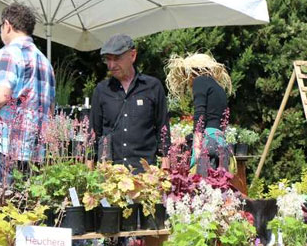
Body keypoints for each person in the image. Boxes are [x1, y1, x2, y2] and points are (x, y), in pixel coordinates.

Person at [0, 3, 55, 183]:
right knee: (27, 209)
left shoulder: (8, 53)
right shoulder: (45, 62)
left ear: (7, 25)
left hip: (4, 145)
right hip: (34, 152)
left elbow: (1, 96)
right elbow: (51, 108)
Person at [89, 34, 170, 173]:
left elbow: (163, 128)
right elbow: (93, 133)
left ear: (132, 56)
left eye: (117, 59)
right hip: (110, 174)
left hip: (145, 173)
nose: (111, 65)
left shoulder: (153, 87)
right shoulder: (101, 90)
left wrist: (165, 165)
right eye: (108, 59)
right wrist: (88, 172)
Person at [165, 52, 232, 172]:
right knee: (217, 188)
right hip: (220, 143)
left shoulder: (200, 81)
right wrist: (186, 138)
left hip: (207, 144)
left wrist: (196, 146)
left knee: (199, 185)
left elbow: (199, 115)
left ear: (192, 72)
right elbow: (213, 122)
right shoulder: (218, 87)